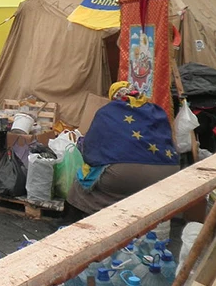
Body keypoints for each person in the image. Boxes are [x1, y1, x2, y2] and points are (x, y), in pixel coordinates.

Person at [67, 82, 180, 216]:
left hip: (125, 176)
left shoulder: (108, 112)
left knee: (83, 184)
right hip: (169, 172)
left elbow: (91, 149)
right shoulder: (156, 111)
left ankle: (94, 221)